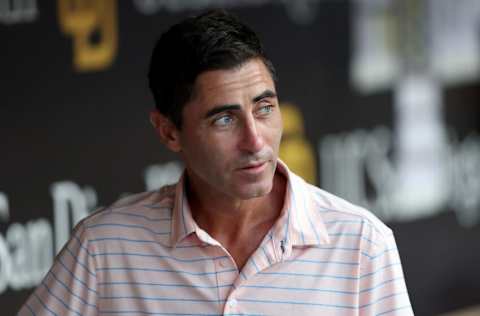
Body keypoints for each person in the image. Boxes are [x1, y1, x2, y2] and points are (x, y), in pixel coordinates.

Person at [18, 9, 413, 316]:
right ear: (169, 132)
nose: (254, 140)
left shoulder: (362, 245)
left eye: (264, 108)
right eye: (224, 119)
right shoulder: (103, 249)